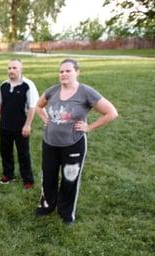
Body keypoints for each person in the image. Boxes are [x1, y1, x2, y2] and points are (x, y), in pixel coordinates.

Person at [35, 59, 118, 224]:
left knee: (69, 179)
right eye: (61, 71)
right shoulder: (52, 91)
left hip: (73, 144)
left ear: (77, 72)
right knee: (48, 177)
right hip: (50, 143)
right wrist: (45, 119)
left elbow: (111, 112)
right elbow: (38, 106)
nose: (64, 74)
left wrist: (89, 127)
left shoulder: (86, 92)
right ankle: (47, 205)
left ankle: (66, 212)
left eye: (68, 71)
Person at [0, 59, 39, 189]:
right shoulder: (4, 85)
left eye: (14, 68)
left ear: (21, 69)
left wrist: (27, 125)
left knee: (23, 153)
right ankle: (8, 175)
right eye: (9, 68)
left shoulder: (28, 85)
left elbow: (32, 106)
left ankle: (27, 179)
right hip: (5, 125)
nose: (11, 71)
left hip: (21, 126)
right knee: (5, 151)